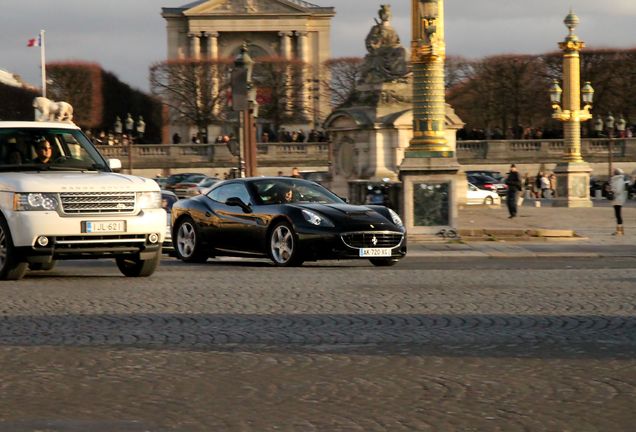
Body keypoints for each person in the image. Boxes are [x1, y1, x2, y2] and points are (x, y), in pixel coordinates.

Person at [610, 168, 629, 236]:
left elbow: (618, 190)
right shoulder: (615, 179)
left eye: (613, 172)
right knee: (617, 215)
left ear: (616, 173)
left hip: (618, 199)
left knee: (618, 215)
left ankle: (620, 231)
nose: (612, 173)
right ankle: (619, 230)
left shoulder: (619, 180)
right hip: (616, 199)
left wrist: (611, 190)